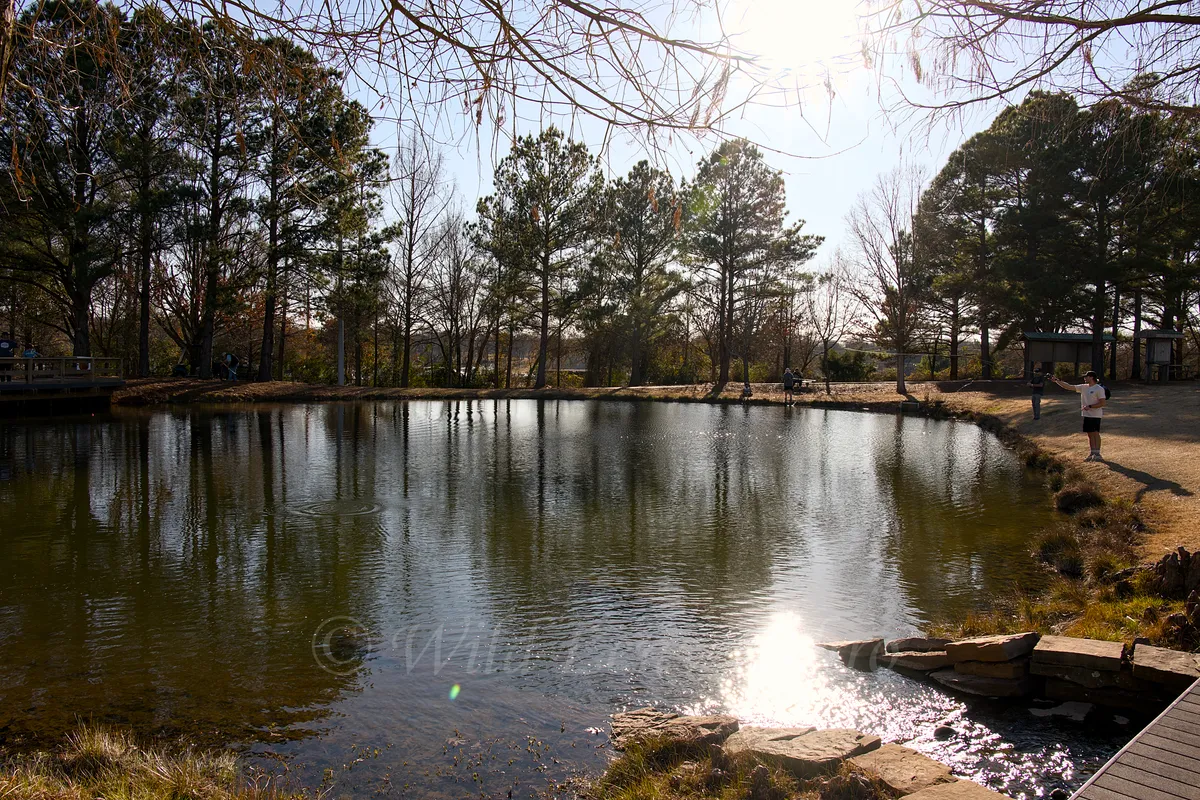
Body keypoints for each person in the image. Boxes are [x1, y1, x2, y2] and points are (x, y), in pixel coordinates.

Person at [1048, 370, 1107, 461]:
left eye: (1086, 377)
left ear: (1091, 377)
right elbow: (1069, 387)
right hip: (1086, 415)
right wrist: (1057, 381)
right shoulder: (1083, 387)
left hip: (1095, 415)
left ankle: (1098, 454)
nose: (1084, 378)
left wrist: (1090, 406)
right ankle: (1092, 452)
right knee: (1089, 434)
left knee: (1095, 433)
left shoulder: (1099, 389)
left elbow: (1102, 403)